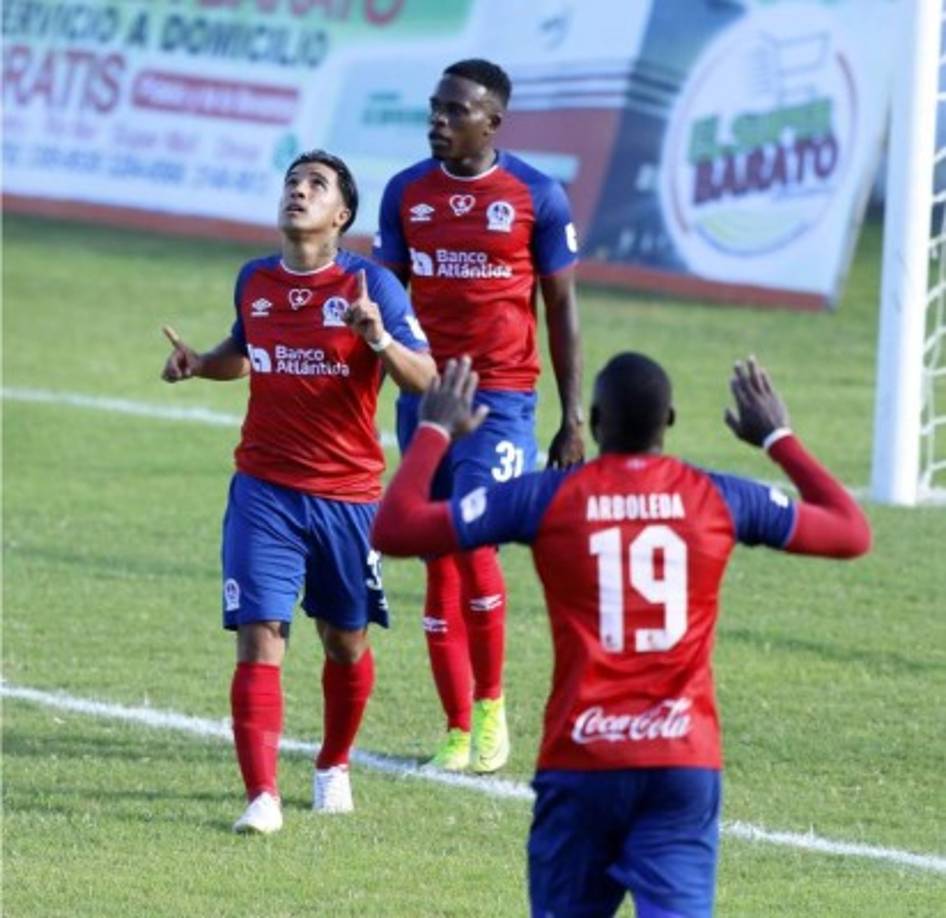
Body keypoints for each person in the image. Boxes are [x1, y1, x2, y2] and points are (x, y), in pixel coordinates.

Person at [372, 354, 871, 916]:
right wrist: (777, 436)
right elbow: (851, 531)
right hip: (681, 765)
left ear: (596, 420)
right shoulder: (717, 497)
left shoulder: (547, 497)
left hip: (581, 763)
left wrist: (436, 427)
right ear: (671, 420)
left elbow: (395, 528)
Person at [160, 150, 435, 834]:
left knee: (344, 642)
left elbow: (427, 379)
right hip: (264, 490)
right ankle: (262, 796)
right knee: (260, 636)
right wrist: (201, 365)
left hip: (347, 499)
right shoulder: (254, 280)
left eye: (316, 186)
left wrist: (378, 341)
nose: (299, 192)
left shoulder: (372, 286)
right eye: (292, 182)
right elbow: (243, 351)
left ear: (341, 215)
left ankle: (333, 764)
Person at [373, 58, 584, 773]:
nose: (438, 121)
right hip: (426, 397)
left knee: (474, 543)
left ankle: (492, 710)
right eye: (434, 108)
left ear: (492, 122)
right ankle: (457, 728)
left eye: (454, 111)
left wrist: (573, 416)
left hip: (501, 402)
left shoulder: (536, 195)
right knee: (435, 556)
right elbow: (386, 304)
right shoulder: (405, 194)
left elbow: (561, 309)